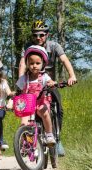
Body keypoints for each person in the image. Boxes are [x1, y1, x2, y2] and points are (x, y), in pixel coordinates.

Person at [18, 20, 77, 156]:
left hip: (49, 83)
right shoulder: (28, 47)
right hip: (31, 84)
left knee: (58, 109)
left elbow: (64, 60)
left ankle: (57, 138)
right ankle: (30, 141)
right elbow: (22, 64)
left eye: (41, 35)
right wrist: (21, 81)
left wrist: (72, 76)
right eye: (35, 35)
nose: (38, 38)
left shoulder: (54, 46)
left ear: (47, 35)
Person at [16, 45, 56, 145]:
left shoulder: (44, 77)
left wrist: (52, 83)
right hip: (28, 104)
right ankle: (26, 142)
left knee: (44, 112)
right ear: (27, 64)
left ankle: (49, 134)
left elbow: (51, 82)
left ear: (43, 64)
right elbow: (18, 91)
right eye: (31, 63)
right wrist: (13, 96)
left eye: (38, 63)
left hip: (41, 101)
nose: (34, 65)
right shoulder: (24, 78)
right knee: (24, 122)